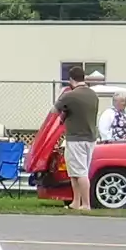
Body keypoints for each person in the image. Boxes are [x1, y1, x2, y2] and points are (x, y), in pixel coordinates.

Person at [55, 65, 101, 212]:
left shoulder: (70, 96)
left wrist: (62, 97)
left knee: (80, 172)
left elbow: (55, 110)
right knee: (75, 171)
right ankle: (76, 201)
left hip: (76, 138)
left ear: (71, 79)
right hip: (90, 137)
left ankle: (86, 204)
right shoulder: (93, 95)